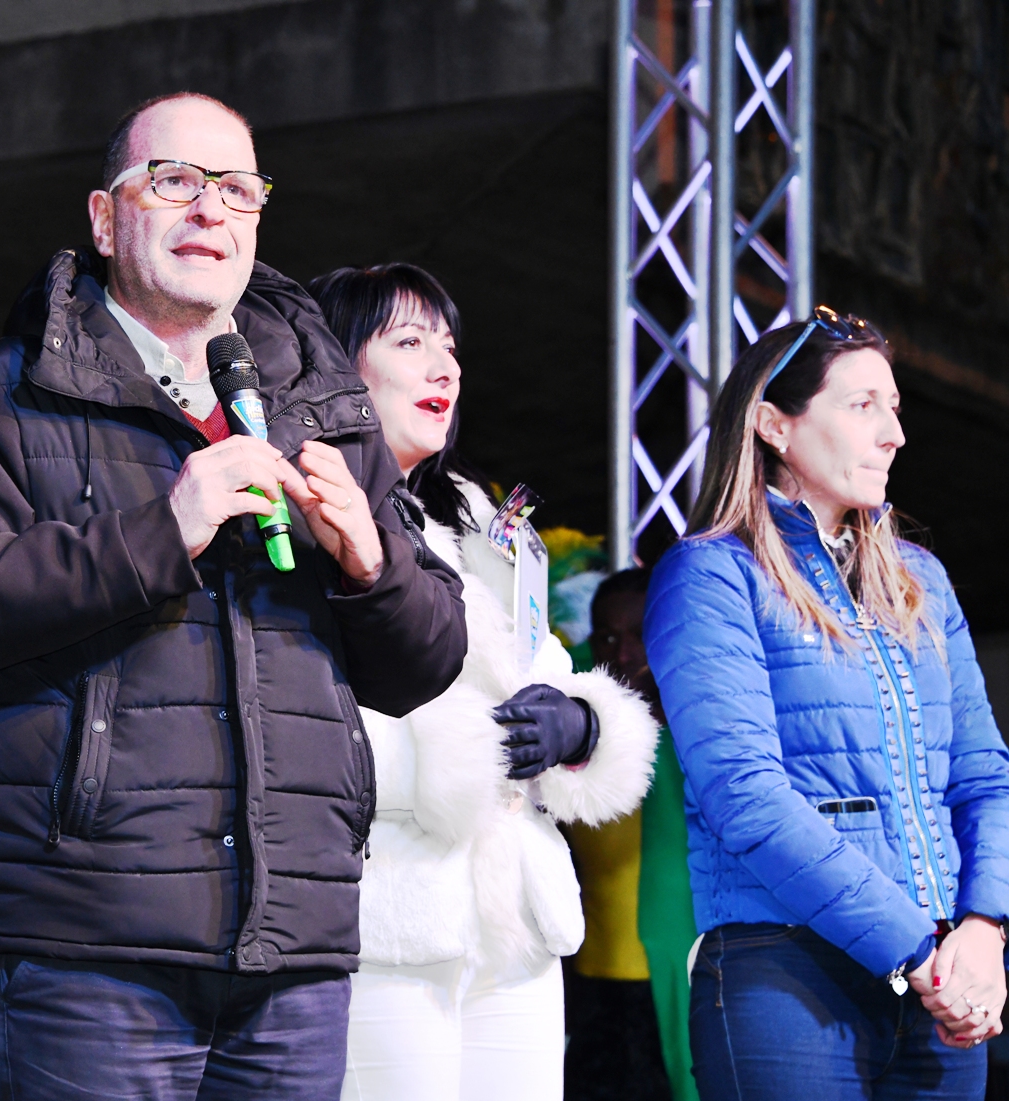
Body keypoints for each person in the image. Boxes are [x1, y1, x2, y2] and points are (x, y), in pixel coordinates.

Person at [0, 94, 470, 1100]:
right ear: (106, 220)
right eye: (174, 182)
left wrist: (372, 565)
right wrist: (164, 528)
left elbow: (426, 663)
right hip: (84, 945)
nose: (209, 211)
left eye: (237, 190)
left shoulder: (324, 408)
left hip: (294, 949)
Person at [307, 262, 658, 1100]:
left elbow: (550, 673)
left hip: (518, 925)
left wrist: (580, 727)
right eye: (409, 340)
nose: (444, 365)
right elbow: (300, 719)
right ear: (336, 362)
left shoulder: (480, 517)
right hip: (385, 917)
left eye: (449, 346)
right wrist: (466, 755)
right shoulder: (302, 508)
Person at [643, 306, 1009, 1100]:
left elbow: (982, 775)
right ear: (773, 424)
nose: (893, 435)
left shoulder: (921, 579)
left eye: (895, 408)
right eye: (862, 405)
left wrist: (983, 928)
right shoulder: (711, 574)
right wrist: (913, 948)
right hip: (783, 973)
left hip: (941, 976)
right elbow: (744, 794)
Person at [566, 568, 696, 1101]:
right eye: (608, 636)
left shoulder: (703, 731)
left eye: (640, 634)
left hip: (684, 989)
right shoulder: (575, 726)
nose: (622, 654)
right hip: (592, 990)